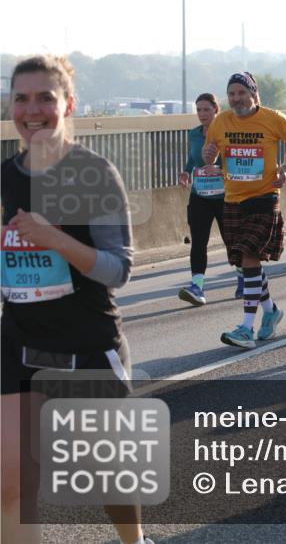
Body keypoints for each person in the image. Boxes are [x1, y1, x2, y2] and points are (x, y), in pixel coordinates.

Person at [2, 55, 152, 544]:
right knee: (9, 484)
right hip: (20, 344)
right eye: (21, 98)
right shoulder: (4, 178)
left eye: (46, 97)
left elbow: (119, 269)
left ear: (69, 103)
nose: (33, 109)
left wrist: (56, 239)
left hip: (86, 344)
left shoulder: (94, 174)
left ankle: (134, 542)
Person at [203, 72, 286, 349]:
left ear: (253, 93)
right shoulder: (221, 121)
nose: (236, 99)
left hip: (264, 197)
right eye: (231, 94)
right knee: (246, 263)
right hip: (233, 199)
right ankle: (270, 311)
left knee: (249, 255)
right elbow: (210, 152)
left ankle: (246, 328)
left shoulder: (273, 119)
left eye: (241, 93)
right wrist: (209, 157)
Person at [177, 93, 239, 306]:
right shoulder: (194, 134)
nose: (202, 114)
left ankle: (242, 277)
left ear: (216, 110)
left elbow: (237, 158)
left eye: (206, 110)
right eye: (199, 110)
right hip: (200, 196)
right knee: (198, 242)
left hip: (224, 197)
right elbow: (192, 158)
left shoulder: (227, 132)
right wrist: (186, 172)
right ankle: (198, 287)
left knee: (231, 240)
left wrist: (221, 169)